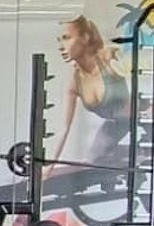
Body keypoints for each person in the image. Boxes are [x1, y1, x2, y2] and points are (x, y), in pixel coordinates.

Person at [49, 15, 132, 172]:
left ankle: (139, 153)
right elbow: (65, 128)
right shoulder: (75, 81)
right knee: (93, 159)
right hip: (116, 124)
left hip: (143, 118)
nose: (60, 46)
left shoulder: (107, 58)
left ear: (85, 38)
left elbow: (139, 67)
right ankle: (121, 154)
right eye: (58, 40)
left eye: (66, 38)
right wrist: (49, 166)